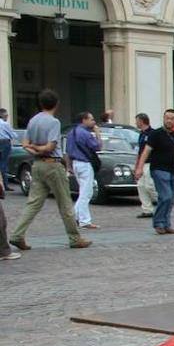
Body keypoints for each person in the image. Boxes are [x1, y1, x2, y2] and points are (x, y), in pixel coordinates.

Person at [10, 90, 89, 251]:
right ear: (56, 104)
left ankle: (17, 234)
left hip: (37, 165)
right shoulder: (54, 122)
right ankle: (74, 238)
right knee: (65, 203)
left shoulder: (33, 120)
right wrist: (40, 149)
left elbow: (25, 144)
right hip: (53, 164)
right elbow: (50, 147)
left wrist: (34, 150)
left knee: (33, 203)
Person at [135, 110, 174, 235]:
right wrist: (139, 168)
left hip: (172, 170)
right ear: (163, 119)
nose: (169, 120)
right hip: (159, 169)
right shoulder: (155, 134)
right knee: (165, 196)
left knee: (170, 199)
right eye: (167, 118)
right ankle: (158, 223)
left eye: (172, 118)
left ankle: (166, 224)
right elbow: (145, 152)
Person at [66, 111, 102, 230]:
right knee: (86, 193)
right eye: (91, 119)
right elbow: (98, 146)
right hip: (85, 164)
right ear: (84, 120)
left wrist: (69, 166)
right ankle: (85, 221)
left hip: (76, 163)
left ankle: (74, 216)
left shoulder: (72, 132)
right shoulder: (86, 134)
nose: (93, 121)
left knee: (83, 191)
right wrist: (97, 134)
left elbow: (68, 151)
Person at [132, 113, 157, 218]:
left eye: (137, 121)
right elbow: (140, 152)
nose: (136, 123)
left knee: (150, 185)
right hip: (142, 163)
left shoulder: (153, 134)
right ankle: (147, 210)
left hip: (151, 163)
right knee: (141, 186)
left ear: (142, 121)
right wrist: (136, 165)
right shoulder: (141, 134)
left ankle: (161, 201)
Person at [0, 108, 15, 196]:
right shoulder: (5, 124)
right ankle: (5, 185)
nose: (7, 117)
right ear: (3, 115)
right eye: (6, 116)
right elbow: (12, 135)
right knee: (4, 164)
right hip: (5, 142)